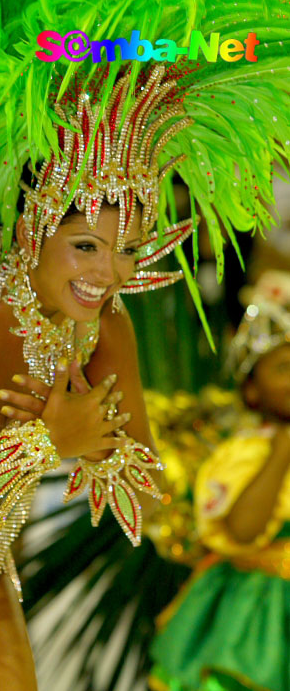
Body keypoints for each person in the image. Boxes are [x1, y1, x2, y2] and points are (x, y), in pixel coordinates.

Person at [0, 0, 288, 690]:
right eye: (84, 246)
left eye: (128, 250)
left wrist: (114, 459)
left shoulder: (106, 329)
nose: (109, 274)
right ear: (33, 226)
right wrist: (50, 442)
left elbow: (149, 485)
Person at [150, 275, 290, 691]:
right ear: (251, 392)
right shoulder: (243, 454)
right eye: (284, 368)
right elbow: (243, 530)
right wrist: (283, 448)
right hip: (257, 610)